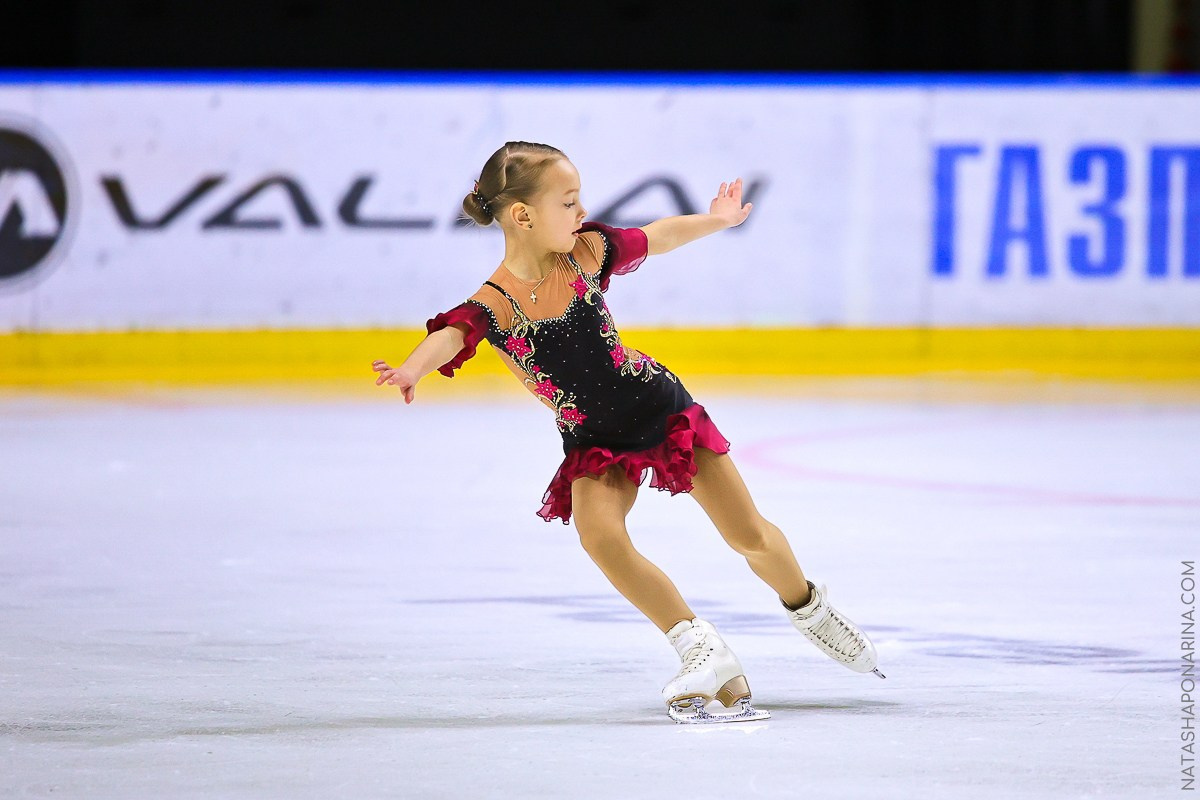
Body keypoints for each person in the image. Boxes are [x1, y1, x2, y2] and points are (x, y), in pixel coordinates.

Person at [372, 141, 883, 724]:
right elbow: (453, 335)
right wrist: (412, 367)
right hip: (592, 438)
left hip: (657, 408)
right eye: (568, 202)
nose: (582, 211)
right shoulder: (495, 303)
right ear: (523, 216)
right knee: (599, 536)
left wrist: (715, 221)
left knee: (747, 536)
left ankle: (810, 609)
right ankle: (701, 648)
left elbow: (658, 235)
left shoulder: (585, 253)